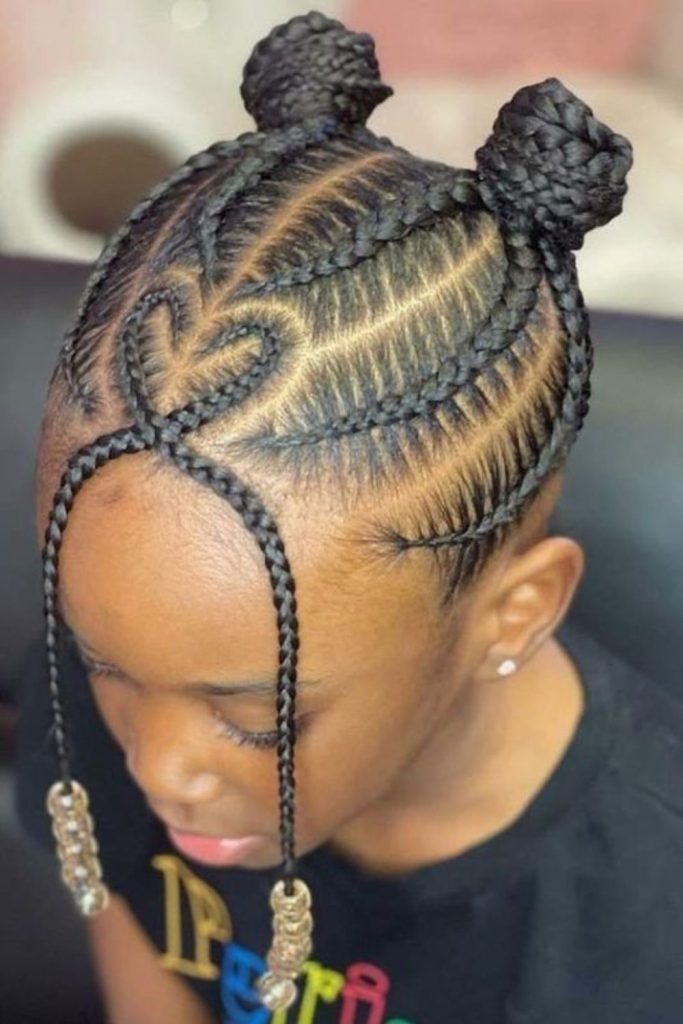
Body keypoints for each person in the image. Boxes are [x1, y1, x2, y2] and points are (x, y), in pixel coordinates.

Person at [13, 10, 683, 1024]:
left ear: (514, 613)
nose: (159, 766)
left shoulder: (644, 922)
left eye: (256, 720)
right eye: (101, 660)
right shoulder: (121, 677)